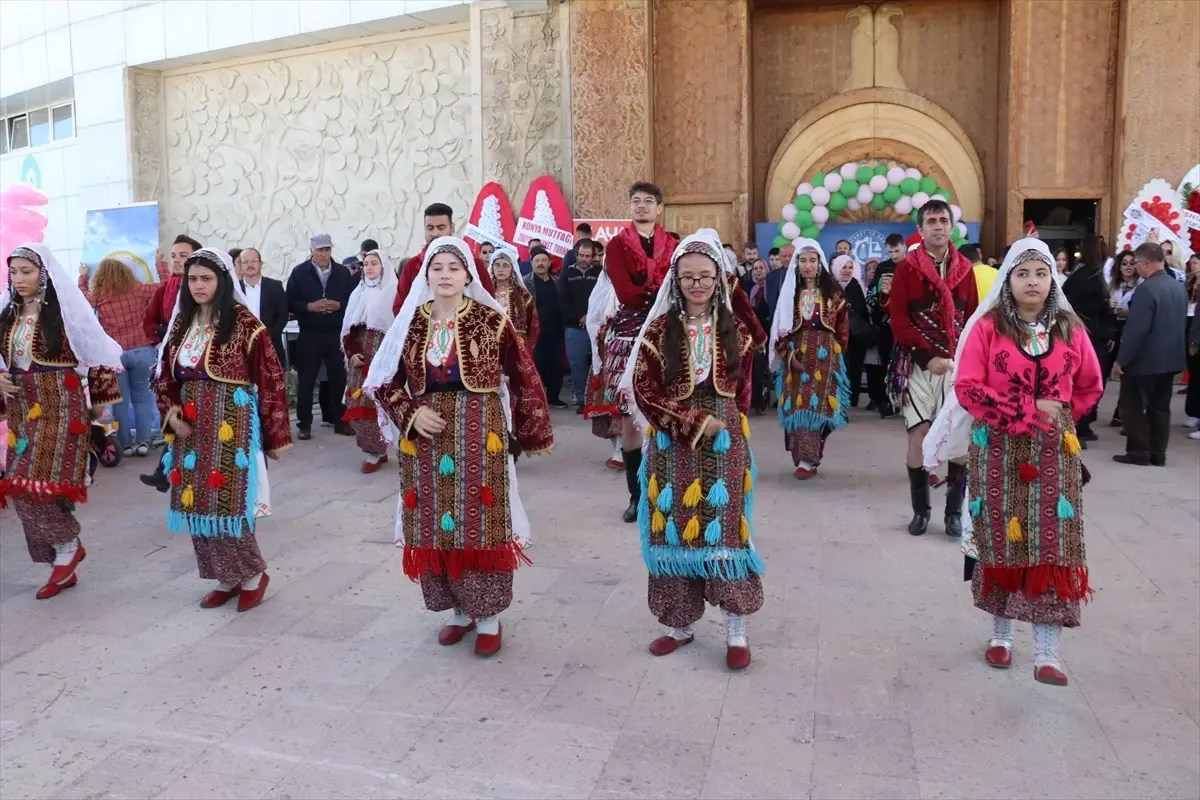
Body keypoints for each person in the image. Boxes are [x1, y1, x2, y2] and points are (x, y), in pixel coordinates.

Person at [364, 236, 552, 657]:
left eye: (454, 267)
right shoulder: (410, 322)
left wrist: (531, 429)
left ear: (469, 275)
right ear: (426, 276)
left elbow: (524, 375)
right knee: (435, 520)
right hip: (425, 437)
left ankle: (487, 614)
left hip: (479, 432)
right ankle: (457, 611)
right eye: (437, 267)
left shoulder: (492, 319)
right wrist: (409, 415)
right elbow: (384, 381)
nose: (445, 274)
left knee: (479, 518)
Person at [927, 237, 1102, 686]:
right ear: (1008, 278)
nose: (1032, 282)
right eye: (1023, 273)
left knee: (1052, 545)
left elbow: (1089, 384)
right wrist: (1023, 412)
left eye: (1041, 274)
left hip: (1053, 454)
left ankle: (1047, 652)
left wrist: (1062, 418)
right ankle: (1001, 636)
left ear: (1051, 279)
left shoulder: (1069, 328)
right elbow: (968, 388)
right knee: (1001, 541)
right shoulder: (988, 328)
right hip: (999, 449)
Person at [622, 233, 764, 670]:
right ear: (676, 280)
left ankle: (735, 627)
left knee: (724, 531)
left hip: (724, 446)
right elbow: (644, 392)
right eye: (688, 277)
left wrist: (732, 432)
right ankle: (678, 624)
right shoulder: (660, 330)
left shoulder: (737, 329)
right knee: (674, 529)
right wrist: (693, 423)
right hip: (671, 445)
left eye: (706, 276)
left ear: (720, 279)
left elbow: (743, 390)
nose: (697, 284)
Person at [156, 248, 291, 612]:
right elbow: (164, 376)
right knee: (196, 501)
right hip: (190, 427)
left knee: (227, 499)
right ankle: (224, 576)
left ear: (221, 281)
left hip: (231, 423)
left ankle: (251, 574)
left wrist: (275, 434)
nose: (199, 285)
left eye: (206, 278)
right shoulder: (182, 323)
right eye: (193, 278)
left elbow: (271, 378)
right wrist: (169, 414)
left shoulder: (245, 324)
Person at [0, 244, 124, 599]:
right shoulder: (6, 314)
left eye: (27, 271)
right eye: (15, 271)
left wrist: (100, 406)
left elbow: (97, 352)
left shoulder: (64, 313)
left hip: (60, 405)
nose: (19, 278)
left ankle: (67, 548)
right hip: (22, 409)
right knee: (21, 484)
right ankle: (63, 551)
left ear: (43, 274)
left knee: (34, 485)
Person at [589, 182, 677, 522]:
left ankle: (666, 493)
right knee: (630, 419)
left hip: (667, 334)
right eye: (636, 201)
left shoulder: (674, 244)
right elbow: (625, 292)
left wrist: (658, 299)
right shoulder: (616, 246)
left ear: (659, 208)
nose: (642, 207)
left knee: (667, 415)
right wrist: (656, 297)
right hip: (629, 335)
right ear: (630, 208)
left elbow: (678, 285)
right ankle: (636, 497)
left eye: (648, 201)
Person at [890, 200, 979, 536]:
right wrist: (928, 357)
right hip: (917, 365)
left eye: (944, 220)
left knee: (960, 440)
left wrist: (965, 359)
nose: (938, 226)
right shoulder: (907, 269)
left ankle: (953, 513)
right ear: (921, 228)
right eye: (931, 221)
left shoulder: (965, 269)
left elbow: (972, 318)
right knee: (918, 436)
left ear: (951, 227)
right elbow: (899, 321)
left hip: (957, 365)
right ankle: (921, 510)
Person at [771, 240, 850, 479]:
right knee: (798, 405)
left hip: (825, 356)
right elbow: (779, 330)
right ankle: (803, 457)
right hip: (797, 355)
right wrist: (788, 355)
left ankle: (811, 457)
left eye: (812, 260)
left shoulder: (834, 292)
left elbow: (843, 329)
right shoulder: (790, 293)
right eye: (803, 261)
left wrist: (837, 356)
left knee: (820, 407)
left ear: (820, 263)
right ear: (796, 264)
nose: (808, 266)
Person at [1112, 242, 1188, 466]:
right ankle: (1158, 453)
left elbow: (1137, 330)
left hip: (1144, 360)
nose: (1135, 268)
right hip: (1170, 358)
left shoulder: (1146, 289)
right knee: (1160, 409)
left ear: (1144, 263)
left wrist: (1122, 359)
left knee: (1133, 407)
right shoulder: (1177, 286)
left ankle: (1138, 453)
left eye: (1136, 263)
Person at [78, 256, 162, 457]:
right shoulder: (139, 289)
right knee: (142, 398)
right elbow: (164, 287)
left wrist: (82, 277)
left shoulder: (98, 296)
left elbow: (79, 297)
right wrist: (161, 264)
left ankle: (123, 444)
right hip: (142, 350)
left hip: (115, 356)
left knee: (120, 402)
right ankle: (143, 442)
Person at [140, 235, 202, 491]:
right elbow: (150, 320)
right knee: (173, 414)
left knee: (193, 419)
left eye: (183, 256)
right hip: (170, 362)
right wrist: (162, 336)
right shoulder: (167, 287)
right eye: (174, 256)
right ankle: (165, 471)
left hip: (196, 365)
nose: (177, 261)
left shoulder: (201, 288)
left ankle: (175, 472)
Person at [286, 233, 358, 440]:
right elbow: (290, 302)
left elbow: (353, 302)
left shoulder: (343, 274)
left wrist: (339, 306)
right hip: (310, 332)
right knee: (307, 379)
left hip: (335, 332)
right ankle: (304, 424)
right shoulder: (299, 273)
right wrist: (309, 307)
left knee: (339, 378)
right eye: (320, 250)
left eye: (327, 250)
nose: (324, 254)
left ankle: (340, 420)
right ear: (311, 250)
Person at [341, 249, 398, 473]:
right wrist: (352, 353)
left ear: (384, 266)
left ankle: (389, 447)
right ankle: (373, 450)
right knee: (360, 404)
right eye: (366, 264)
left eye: (375, 263)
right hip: (360, 360)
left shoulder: (394, 293)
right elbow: (348, 330)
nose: (370, 267)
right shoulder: (359, 293)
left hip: (386, 357)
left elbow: (398, 329)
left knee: (386, 404)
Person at [1062, 235, 1116, 445]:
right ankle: (1080, 425)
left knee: (1084, 379)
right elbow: (1103, 307)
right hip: (1092, 335)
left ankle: (1082, 423)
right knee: (1091, 379)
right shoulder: (1094, 276)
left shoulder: (1082, 275)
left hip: (1083, 333)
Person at [394, 203, 494, 312]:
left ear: (452, 228)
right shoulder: (413, 265)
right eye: (430, 228)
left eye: (441, 228)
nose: (435, 233)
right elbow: (399, 308)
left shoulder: (472, 263)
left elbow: (488, 301)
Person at [558, 237, 602, 410]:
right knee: (577, 364)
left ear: (593, 256)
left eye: (588, 256)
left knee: (597, 363)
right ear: (576, 255)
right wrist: (579, 318)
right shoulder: (567, 274)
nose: (584, 259)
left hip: (596, 327)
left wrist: (590, 317)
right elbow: (562, 301)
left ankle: (596, 398)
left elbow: (603, 299)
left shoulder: (599, 274)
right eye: (581, 255)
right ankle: (581, 399)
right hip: (574, 328)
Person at [523, 246, 566, 409]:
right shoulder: (525, 282)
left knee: (556, 366)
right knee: (536, 366)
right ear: (531, 263)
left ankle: (554, 397)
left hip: (555, 332)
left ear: (549, 263)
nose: (540, 264)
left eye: (543, 260)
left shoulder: (557, 282)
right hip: (534, 333)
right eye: (537, 261)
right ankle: (536, 398)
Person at [236, 248, 288, 366]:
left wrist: (266, 336)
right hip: (242, 348)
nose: (250, 265)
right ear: (241, 266)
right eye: (245, 262)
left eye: (254, 261)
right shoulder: (235, 289)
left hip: (271, 344)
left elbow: (282, 316)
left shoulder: (275, 286)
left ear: (261, 263)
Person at [833, 254, 872, 408]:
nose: (847, 271)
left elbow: (863, 312)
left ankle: (851, 399)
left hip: (855, 337)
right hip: (836, 337)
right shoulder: (831, 285)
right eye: (844, 267)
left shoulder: (856, 285)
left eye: (850, 267)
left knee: (854, 369)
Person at [489, 245, 539, 349]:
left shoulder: (523, 295)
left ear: (513, 269)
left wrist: (528, 347)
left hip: (516, 348)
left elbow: (534, 325)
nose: (501, 269)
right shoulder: (485, 293)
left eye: (505, 265)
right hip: (489, 347)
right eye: (497, 265)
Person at [748, 258, 772, 414]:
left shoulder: (771, 287)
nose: (758, 271)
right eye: (755, 268)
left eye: (761, 268)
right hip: (752, 332)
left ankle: (765, 398)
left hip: (768, 330)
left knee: (766, 367)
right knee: (755, 367)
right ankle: (755, 400)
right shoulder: (750, 288)